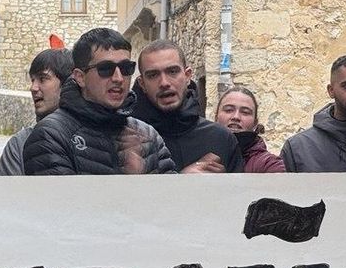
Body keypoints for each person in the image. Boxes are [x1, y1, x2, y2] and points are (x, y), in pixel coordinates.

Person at [23, 28, 176, 175]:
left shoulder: (148, 135)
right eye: (106, 69)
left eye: (125, 68)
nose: (118, 78)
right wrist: (129, 179)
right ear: (80, 77)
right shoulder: (51, 135)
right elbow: (62, 200)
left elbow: (173, 197)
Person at [131, 40, 243, 173]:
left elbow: (238, 192)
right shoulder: (128, 141)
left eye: (172, 71)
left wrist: (221, 185)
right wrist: (183, 181)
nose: (164, 83)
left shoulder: (221, 138)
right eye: (153, 75)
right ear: (142, 84)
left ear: (187, 76)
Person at [0, 48, 72, 176]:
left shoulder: (92, 137)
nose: (33, 88)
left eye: (42, 79)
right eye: (32, 80)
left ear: (67, 83)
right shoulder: (19, 144)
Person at [214, 86, 285, 173]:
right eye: (229, 110)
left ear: (255, 122)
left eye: (245, 112)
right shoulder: (199, 153)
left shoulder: (269, 165)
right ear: (216, 116)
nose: (236, 117)